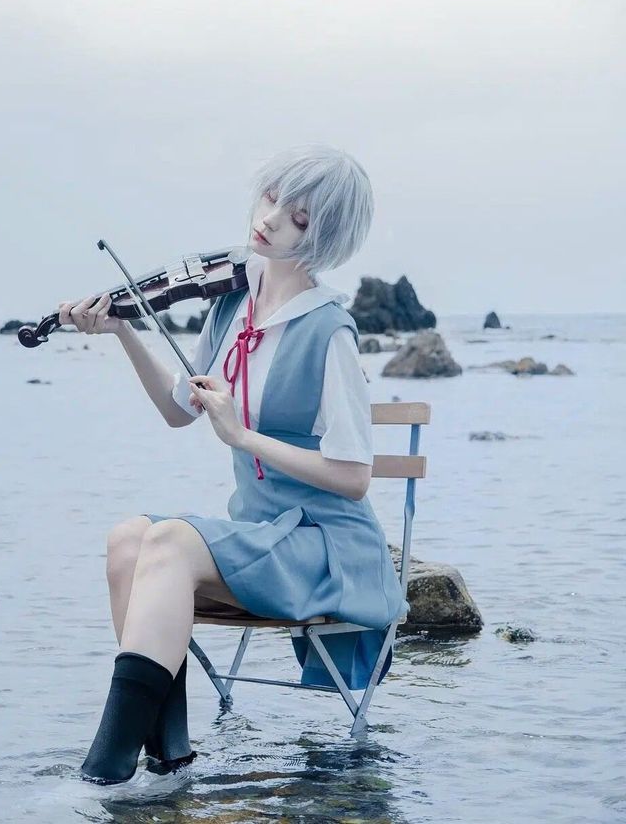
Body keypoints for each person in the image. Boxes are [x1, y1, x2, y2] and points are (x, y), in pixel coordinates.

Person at [59, 144, 407, 785]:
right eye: (273, 197)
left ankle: (102, 776)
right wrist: (123, 333)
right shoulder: (230, 305)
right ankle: (169, 763)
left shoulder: (328, 330)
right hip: (261, 535)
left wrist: (243, 437)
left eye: (299, 218)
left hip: (325, 546)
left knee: (167, 539)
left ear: (323, 237)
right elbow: (177, 411)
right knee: (128, 540)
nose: (272, 218)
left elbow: (356, 476)